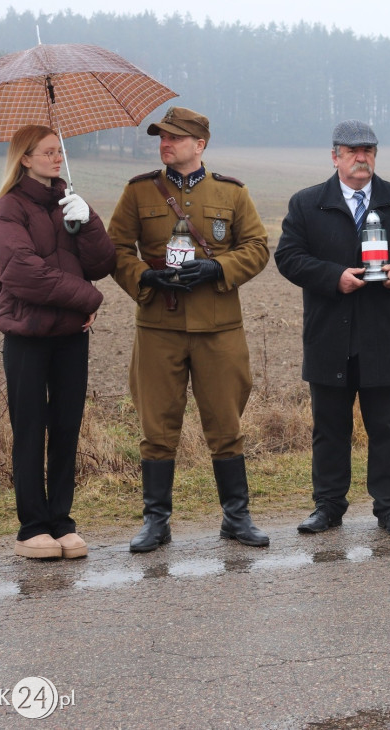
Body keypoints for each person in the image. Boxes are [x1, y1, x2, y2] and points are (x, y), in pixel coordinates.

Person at [108, 106, 271, 552]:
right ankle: (156, 522)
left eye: (175, 137)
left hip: (219, 327)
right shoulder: (139, 192)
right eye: (162, 136)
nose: (165, 143)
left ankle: (236, 518)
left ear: (200, 145)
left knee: (225, 424)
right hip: (159, 326)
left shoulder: (232, 193)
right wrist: (144, 276)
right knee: (157, 428)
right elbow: (116, 248)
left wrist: (217, 268)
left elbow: (257, 247)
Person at [274, 120, 390, 538]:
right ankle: (328, 506)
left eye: (368, 150)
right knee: (329, 428)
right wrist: (333, 277)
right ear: (335, 157)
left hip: (385, 335)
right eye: (351, 151)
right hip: (330, 335)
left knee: (386, 427)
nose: (361, 157)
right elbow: (289, 257)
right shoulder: (308, 204)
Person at [0, 124, 115, 559]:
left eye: (59, 151)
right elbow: (22, 273)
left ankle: (62, 521)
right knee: (30, 429)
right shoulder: (9, 209)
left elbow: (100, 263)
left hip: (70, 338)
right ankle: (32, 528)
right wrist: (88, 298)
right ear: (24, 158)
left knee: (65, 427)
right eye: (47, 152)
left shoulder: (68, 204)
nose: (57, 158)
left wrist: (89, 220)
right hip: (28, 337)